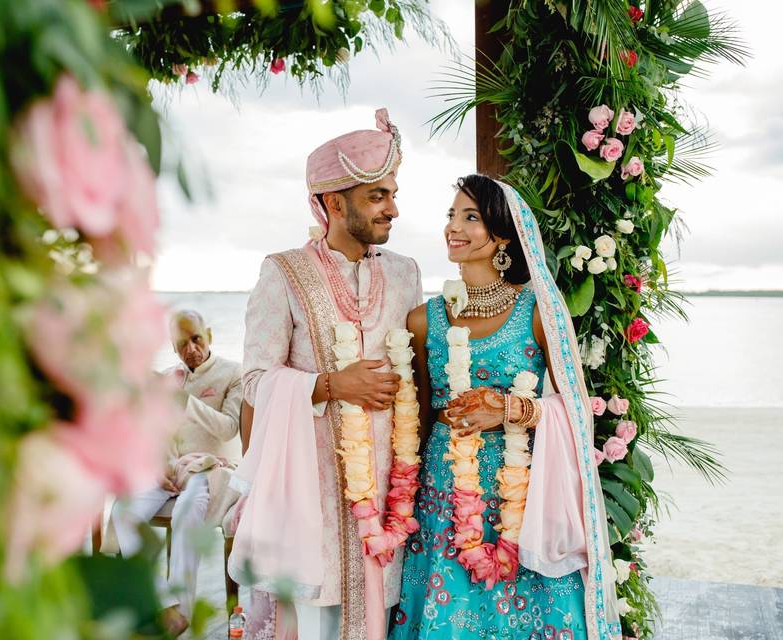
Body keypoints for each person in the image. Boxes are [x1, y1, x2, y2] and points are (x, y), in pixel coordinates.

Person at [388, 175, 622, 639]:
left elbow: (574, 406)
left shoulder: (538, 312)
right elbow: (417, 416)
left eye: (470, 217)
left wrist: (513, 410)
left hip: (520, 498)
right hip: (443, 498)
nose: (454, 227)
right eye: (451, 215)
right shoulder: (422, 319)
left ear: (501, 234)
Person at [229, 108, 423, 640]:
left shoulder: (405, 274)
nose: (393, 209)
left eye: (392, 193)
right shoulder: (283, 272)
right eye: (377, 196)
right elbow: (252, 381)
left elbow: (420, 380)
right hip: (309, 500)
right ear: (333, 204)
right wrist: (331, 385)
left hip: (389, 496)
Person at [107, 310, 242, 636]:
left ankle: (182, 610)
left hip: (212, 470)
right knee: (122, 513)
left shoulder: (233, 374)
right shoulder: (168, 376)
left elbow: (228, 429)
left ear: (209, 335)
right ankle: (163, 601)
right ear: (173, 345)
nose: (191, 348)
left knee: (186, 511)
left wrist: (185, 401)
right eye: (182, 343)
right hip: (174, 472)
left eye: (196, 339)